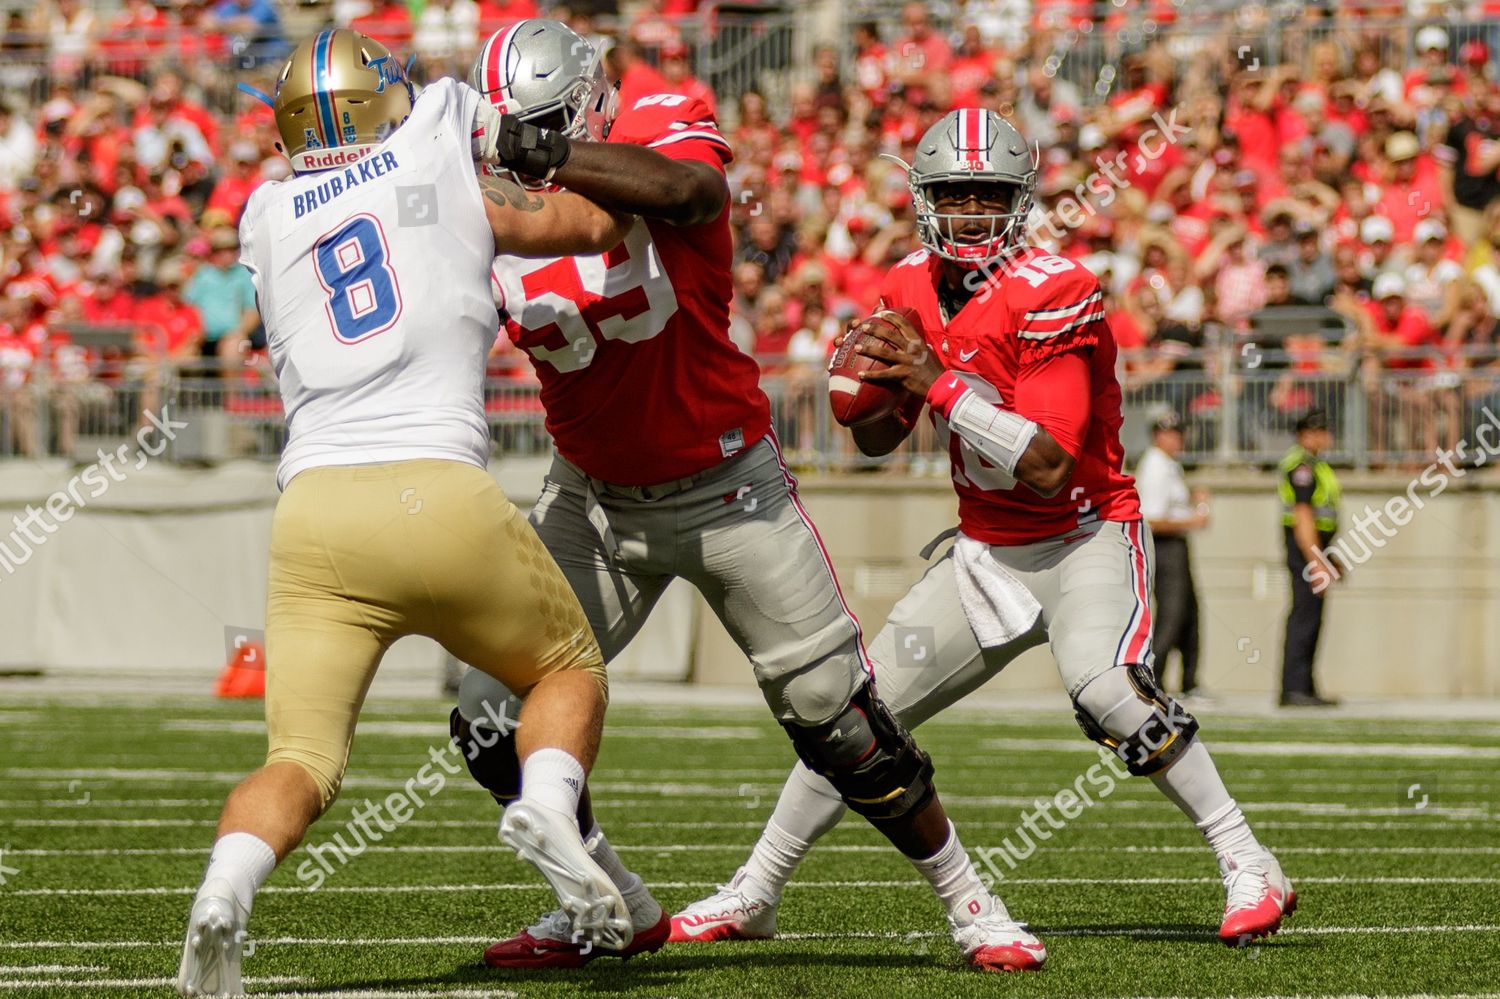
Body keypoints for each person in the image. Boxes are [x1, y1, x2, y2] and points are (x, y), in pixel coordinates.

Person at [454, 20, 1039, 974]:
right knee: (485, 715)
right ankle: (605, 898)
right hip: (590, 502)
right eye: (520, 130)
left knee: (838, 718)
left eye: (553, 125)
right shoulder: (472, 200)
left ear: (583, 107)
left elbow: (692, 191)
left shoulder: (658, 117)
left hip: (728, 487)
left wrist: (542, 150)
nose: (533, 146)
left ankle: (969, 898)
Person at [672, 110, 1295, 953]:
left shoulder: (1056, 287)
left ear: (1020, 199)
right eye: (954, 193)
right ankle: (755, 891)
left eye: (988, 194)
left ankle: (1247, 859)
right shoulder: (905, 287)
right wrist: (872, 391)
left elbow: (1047, 463)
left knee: (1108, 690)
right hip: (986, 551)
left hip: (1083, 539)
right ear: (926, 199)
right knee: (857, 715)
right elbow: (876, 439)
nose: (970, 211)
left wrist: (935, 381)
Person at [174, 28, 639, 998]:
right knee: (563, 671)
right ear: (392, 97)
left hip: (313, 517)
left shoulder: (263, 212)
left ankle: (227, 886)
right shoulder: (435, 128)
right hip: (437, 489)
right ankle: (551, 808)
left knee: (301, 757)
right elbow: (586, 226)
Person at [1134, 412, 1209, 696]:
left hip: (1176, 545)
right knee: (1172, 614)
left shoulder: (1169, 465)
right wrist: (1193, 520)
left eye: (1179, 433)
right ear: (1157, 436)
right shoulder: (1155, 465)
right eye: (1170, 433)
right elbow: (1152, 519)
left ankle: (1189, 680)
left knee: (1189, 613)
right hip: (1164, 547)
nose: (1177, 438)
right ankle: (1153, 679)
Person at [1278, 410, 1342, 708]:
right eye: (1319, 431)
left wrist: (1328, 557)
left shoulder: (1316, 464)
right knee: (1304, 616)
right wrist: (1317, 560)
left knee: (1313, 617)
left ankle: (1305, 686)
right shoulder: (1301, 465)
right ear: (1305, 434)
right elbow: (1303, 515)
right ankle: (1293, 688)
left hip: (1314, 547)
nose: (1325, 436)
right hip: (1305, 548)